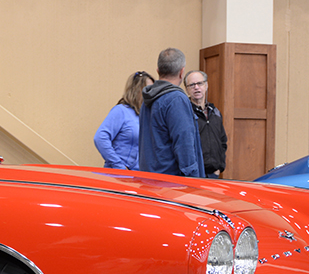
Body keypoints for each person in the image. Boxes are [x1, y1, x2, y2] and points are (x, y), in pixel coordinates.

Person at [138, 48, 205, 177]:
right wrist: (193, 179)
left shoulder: (147, 100)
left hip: (148, 179)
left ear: (158, 71)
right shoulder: (176, 100)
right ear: (181, 72)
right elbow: (184, 145)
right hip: (171, 183)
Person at [94, 71, 154, 169]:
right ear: (137, 90)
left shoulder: (146, 115)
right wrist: (119, 166)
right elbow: (100, 138)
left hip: (138, 176)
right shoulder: (121, 111)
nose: (152, 94)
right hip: (117, 175)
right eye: (148, 89)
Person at [184, 70, 227, 178]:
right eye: (192, 85)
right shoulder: (185, 113)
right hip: (194, 174)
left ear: (206, 85)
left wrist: (219, 167)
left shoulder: (215, 112)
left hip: (213, 174)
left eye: (200, 83)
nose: (196, 87)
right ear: (187, 89)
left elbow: (222, 142)